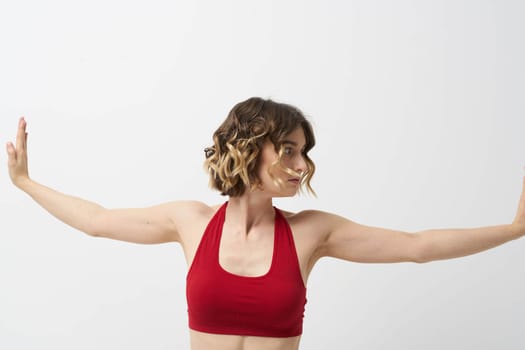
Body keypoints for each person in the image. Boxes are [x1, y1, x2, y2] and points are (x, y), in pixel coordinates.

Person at [6, 97, 525, 350]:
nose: (302, 166)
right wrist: (27, 183)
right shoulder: (191, 222)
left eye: (306, 153)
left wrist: (513, 229)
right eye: (290, 150)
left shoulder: (311, 233)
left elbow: (417, 246)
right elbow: (97, 221)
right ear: (251, 149)